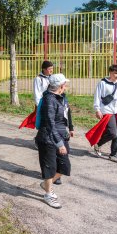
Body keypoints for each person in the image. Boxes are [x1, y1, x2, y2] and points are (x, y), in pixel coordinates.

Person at [35, 74, 72, 209]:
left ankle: (46, 185)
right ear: (60, 86)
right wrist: (59, 143)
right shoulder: (49, 100)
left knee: (65, 166)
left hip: (60, 136)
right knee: (49, 167)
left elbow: (65, 115)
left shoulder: (60, 97)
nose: (66, 86)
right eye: (65, 84)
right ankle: (48, 194)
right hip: (48, 138)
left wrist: (69, 129)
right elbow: (50, 123)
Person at [86, 65, 117, 161]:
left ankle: (113, 154)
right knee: (113, 133)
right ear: (110, 72)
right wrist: (97, 110)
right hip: (107, 110)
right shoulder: (102, 83)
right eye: (115, 73)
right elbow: (97, 97)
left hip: (116, 110)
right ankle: (98, 144)